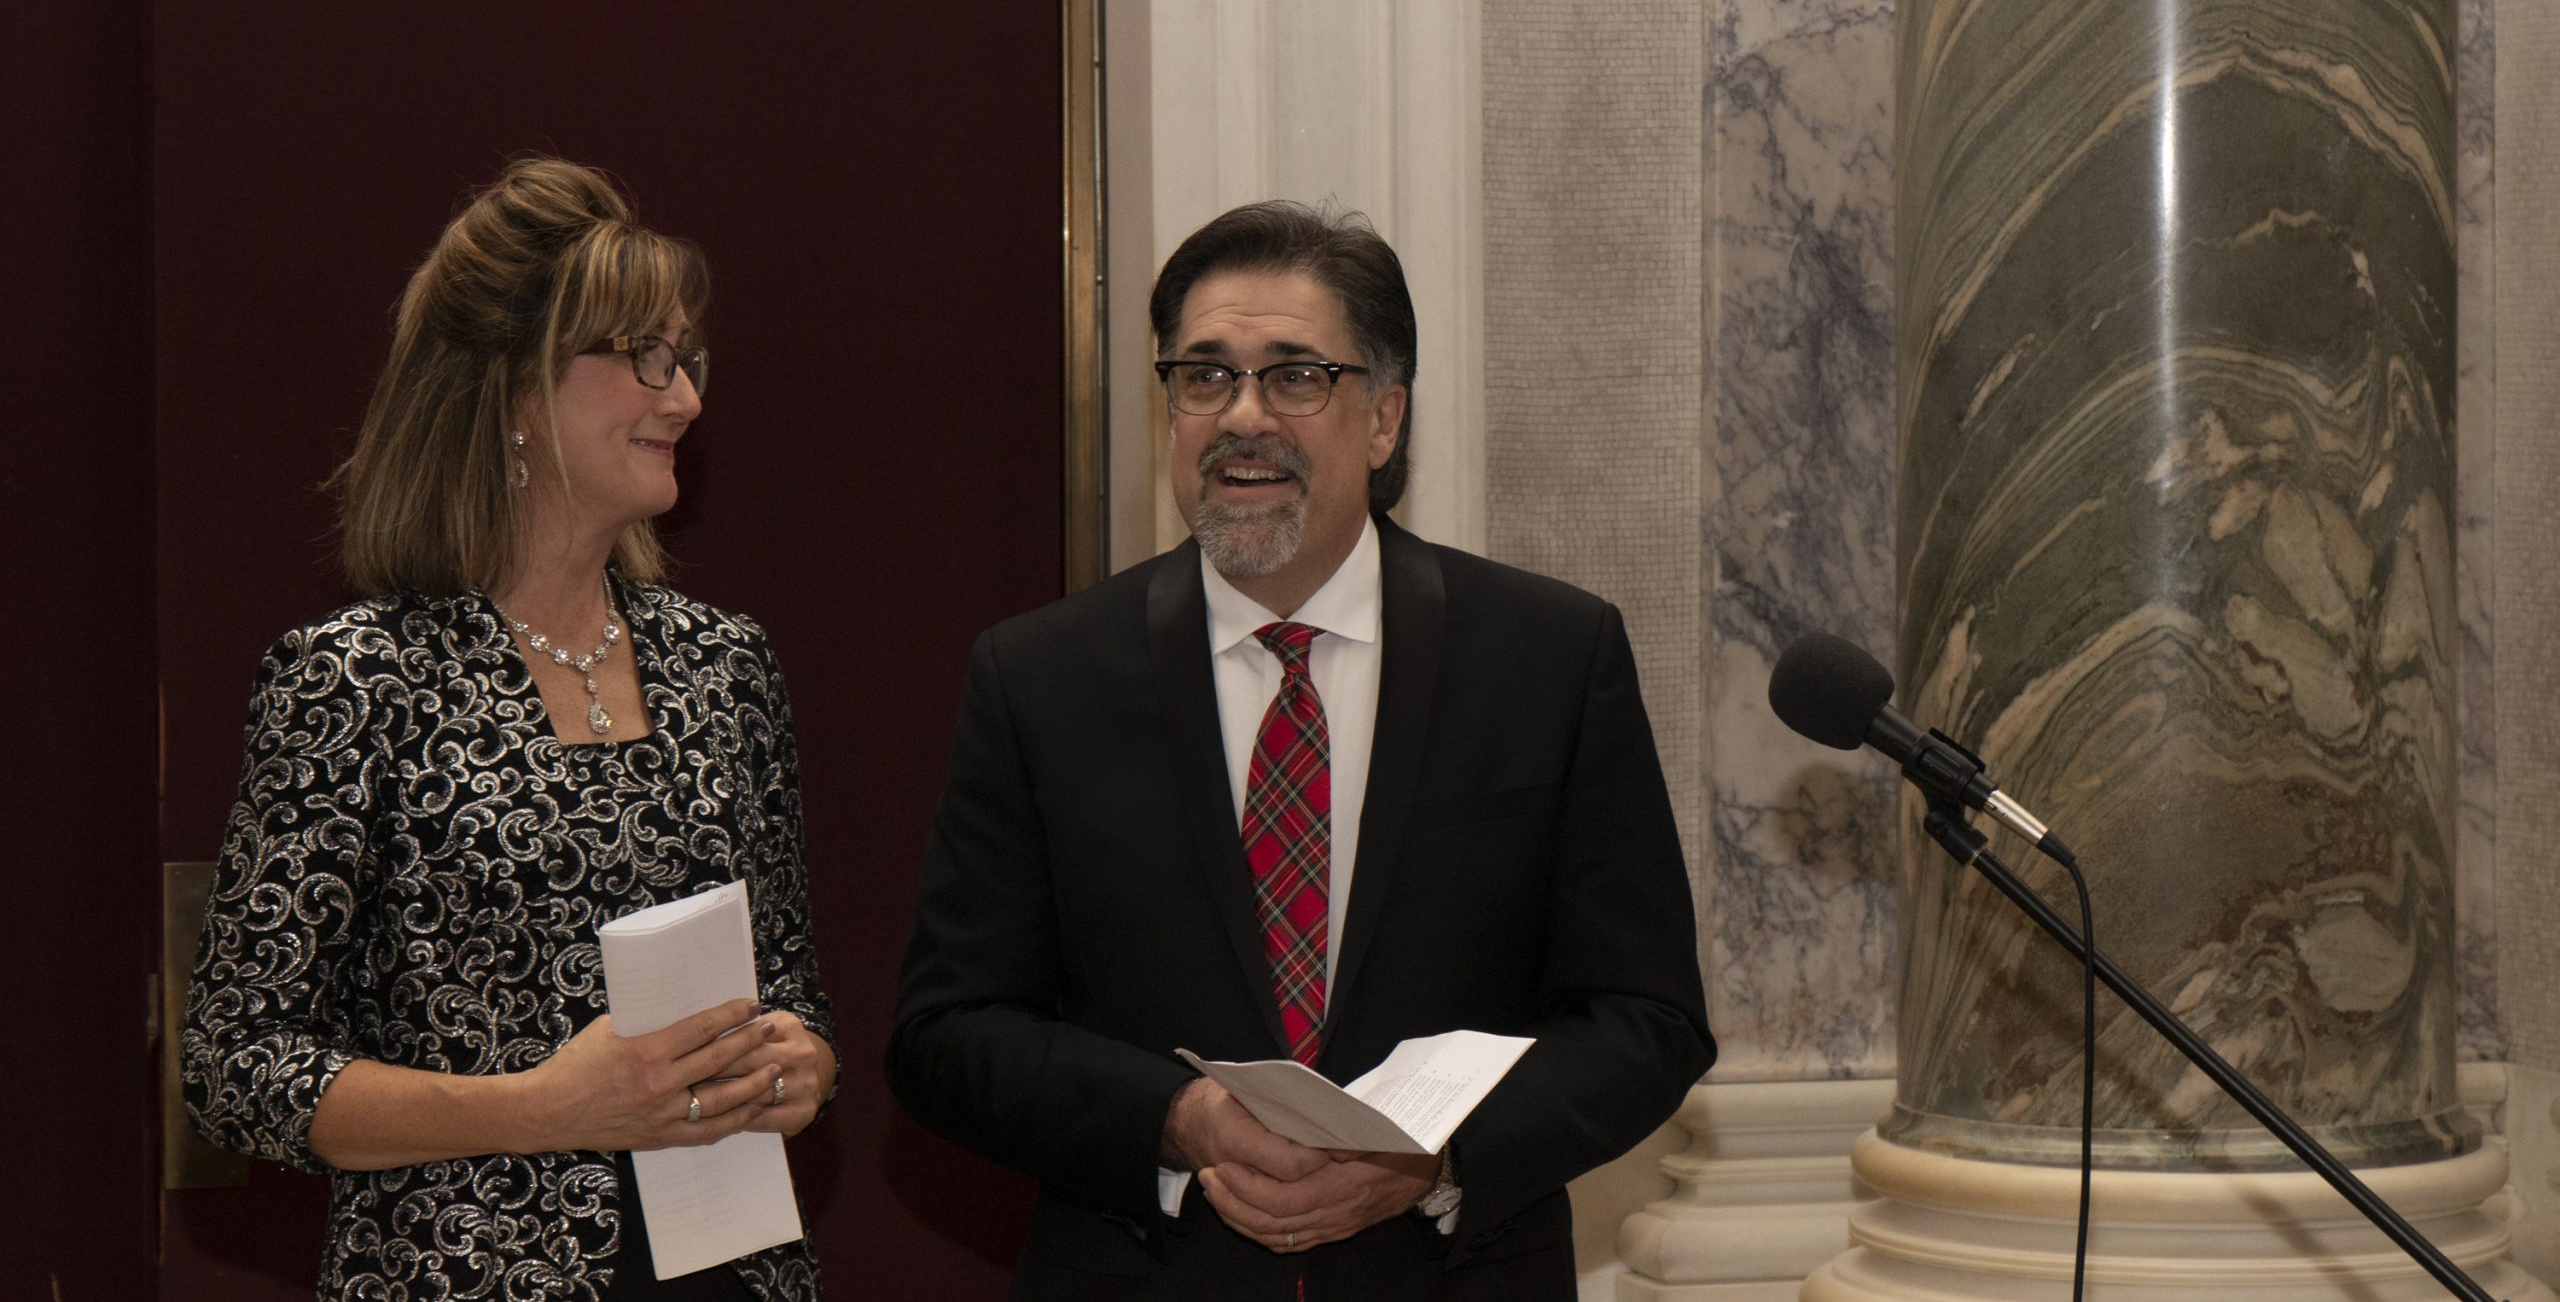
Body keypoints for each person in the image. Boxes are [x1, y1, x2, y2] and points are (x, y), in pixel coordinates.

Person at [889, 201, 1712, 1300]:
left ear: (1383, 418)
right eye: (1205, 376)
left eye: (1295, 376)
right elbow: (949, 1034)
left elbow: (1644, 1019)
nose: (1243, 417)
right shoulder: (1040, 677)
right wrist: (1179, 1122)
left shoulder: (1549, 658)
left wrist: (1434, 1157)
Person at [184, 159, 838, 1301]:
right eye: (641, 356)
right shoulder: (354, 680)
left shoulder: (724, 664)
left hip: (736, 1270)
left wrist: (800, 1065)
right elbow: (237, 1069)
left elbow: (789, 987)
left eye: (685, 359)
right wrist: (543, 1108)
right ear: (515, 389)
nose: (681, 397)